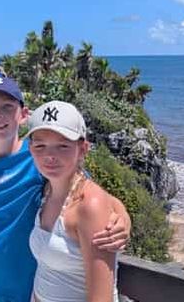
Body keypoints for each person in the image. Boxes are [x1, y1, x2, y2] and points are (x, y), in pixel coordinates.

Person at [0, 78, 131, 302]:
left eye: (7, 107)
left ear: (23, 114)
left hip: (27, 288)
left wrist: (123, 215)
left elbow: (89, 193)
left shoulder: (41, 160)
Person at [28, 101, 121, 302]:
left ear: (83, 149)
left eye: (63, 146)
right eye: (40, 145)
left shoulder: (90, 205)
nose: (50, 156)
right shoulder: (47, 190)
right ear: (30, 148)